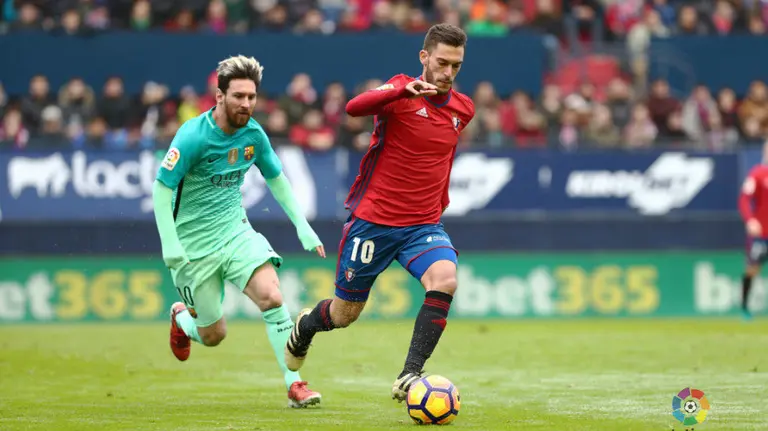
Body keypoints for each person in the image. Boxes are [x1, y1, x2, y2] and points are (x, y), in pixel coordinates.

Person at [284, 23, 475, 402]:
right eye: (441, 62)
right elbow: (355, 108)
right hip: (374, 223)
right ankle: (305, 326)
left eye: (456, 66)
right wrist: (402, 88)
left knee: (446, 280)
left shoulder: (462, 109)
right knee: (344, 315)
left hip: (422, 225)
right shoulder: (398, 92)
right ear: (424, 57)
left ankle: (410, 374)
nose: (448, 72)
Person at [152, 55, 326, 408]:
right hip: (191, 247)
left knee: (272, 296)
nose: (246, 104)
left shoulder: (253, 134)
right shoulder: (192, 136)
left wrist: (303, 226)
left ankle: (294, 384)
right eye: (239, 96)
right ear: (220, 96)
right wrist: (170, 242)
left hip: (235, 233)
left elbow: (276, 178)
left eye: (251, 97)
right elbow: (161, 188)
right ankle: (182, 320)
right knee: (214, 335)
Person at [738, 139, 768, 320]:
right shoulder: (757, 174)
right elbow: (744, 200)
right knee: (752, 268)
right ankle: (744, 307)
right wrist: (750, 220)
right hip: (761, 234)